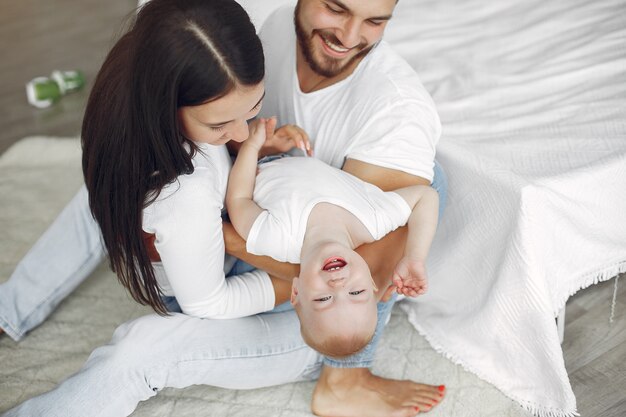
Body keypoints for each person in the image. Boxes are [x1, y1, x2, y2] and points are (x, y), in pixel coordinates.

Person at [1, 0, 448, 416]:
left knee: (431, 177)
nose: (350, 35)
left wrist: (252, 149)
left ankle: (343, 380)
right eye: (336, 7)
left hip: (305, 301)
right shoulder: (189, 187)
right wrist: (293, 280)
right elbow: (215, 287)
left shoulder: (384, 107)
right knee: (116, 211)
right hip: (251, 281)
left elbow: (368, 269)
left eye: (375, 20)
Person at [226, 117, 439, 358]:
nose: (338, 285)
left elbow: (238, 199)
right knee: (436, 174)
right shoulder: (373, 220)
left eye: (324, 298)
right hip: (291, 147)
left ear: (296, 292)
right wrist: (414, 257)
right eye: (356, 293)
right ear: (372, 282)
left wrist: (252, 147)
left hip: (252, 161)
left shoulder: (274, 238)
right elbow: (425, 197)